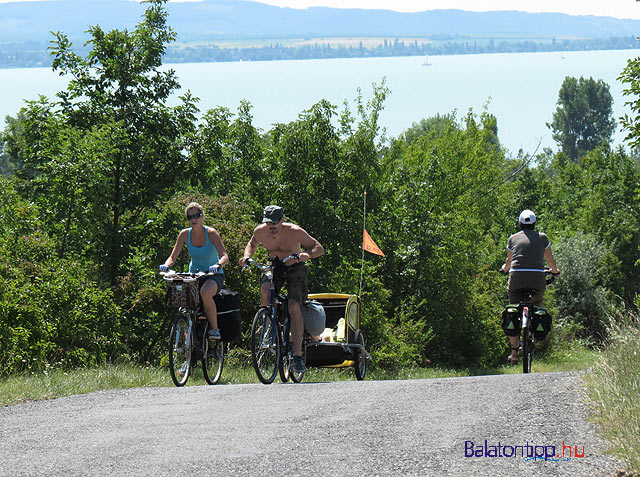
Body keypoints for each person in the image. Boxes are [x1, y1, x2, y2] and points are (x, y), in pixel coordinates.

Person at [239, 205, 325, 374]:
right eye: (267, 223)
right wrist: (247, 257)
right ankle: (268, 321)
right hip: (275, 266)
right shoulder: (260, 231)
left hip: (295, 267)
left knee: (294, 305)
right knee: (265, 288)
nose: (271, 227)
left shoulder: (295, 231)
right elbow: (252, 244)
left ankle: (298, 355)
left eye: (274, 223)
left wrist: (306, 255)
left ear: (283, 220)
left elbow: (318, 248)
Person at [160, 202, 229, 341]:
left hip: (213, 275)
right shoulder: (184, 234)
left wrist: (217, 265)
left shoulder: (211, 233)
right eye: (190, 216)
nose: (193, 219)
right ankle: (189, 344)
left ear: (202, 216)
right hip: (194, 275)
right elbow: (173, 257)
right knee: (185, 301)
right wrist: (165, 265)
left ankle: (215, 329)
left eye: (196, 215)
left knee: (205, 292)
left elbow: (225, 256)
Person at [501, 209, 559, 364]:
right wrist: (554, 271)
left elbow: (509, 260)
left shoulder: (513, 239)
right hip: (536, 278)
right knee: (537, 302)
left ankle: (514, 353)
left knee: (513, 307)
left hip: (516, 278)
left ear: (520, 223)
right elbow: (550, 259)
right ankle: (534, 325)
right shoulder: (542, 238)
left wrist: (505, 269)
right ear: (534, 223)